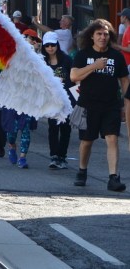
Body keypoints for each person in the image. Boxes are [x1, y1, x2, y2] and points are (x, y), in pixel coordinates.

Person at [70, 19, 128, 191]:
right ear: (92, 36)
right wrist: (94, 66)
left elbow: (124, 81)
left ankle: (113, 177)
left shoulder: (116, 56)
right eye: (99, 34)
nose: (103, 37)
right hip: (88, 106)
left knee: (112, 139)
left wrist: (126, 105)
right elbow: (74, 76)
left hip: (111, 105)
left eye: (106, 34)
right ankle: (82, 170)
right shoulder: (83, 55)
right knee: (87, 141)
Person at [41, 32, 74, 169]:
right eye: (47, 45)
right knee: (53, 127)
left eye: (52, 45)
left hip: (66, 100)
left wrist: (76, 100)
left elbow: (74, 79)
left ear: (57, 45)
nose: (50, 48)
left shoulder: (66, 60)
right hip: (51, 100)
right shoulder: (42, 61)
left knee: (66, 128)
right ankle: (54, 155)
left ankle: (62, 156)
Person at [113, 7, 130, 72]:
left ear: (125, 17)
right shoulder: (126, 30)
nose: (120, 18)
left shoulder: (129, 31)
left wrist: (117, 46)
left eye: (121, 16)